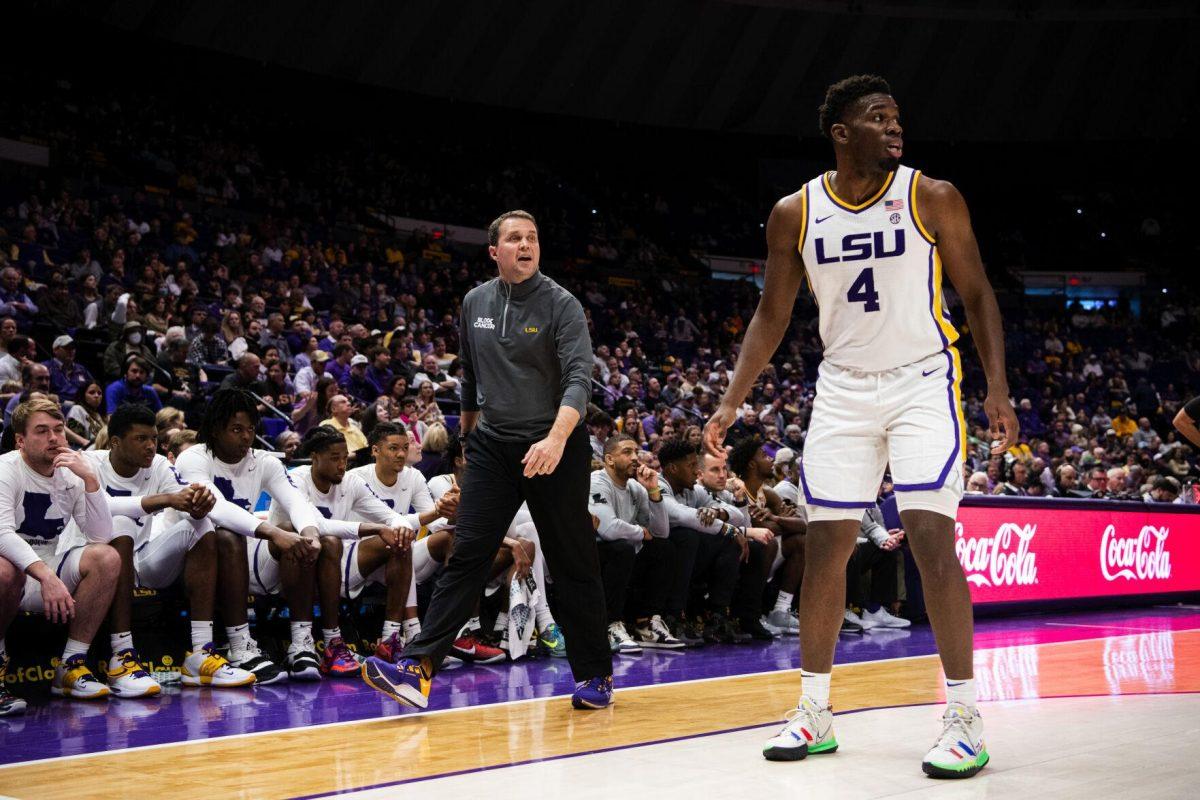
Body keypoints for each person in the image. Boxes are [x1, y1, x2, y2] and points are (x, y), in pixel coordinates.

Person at [704, 75, 1017, 778]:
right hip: (843, 388)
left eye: (898, 117)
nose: (895, 128)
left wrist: (996, 387)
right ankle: (814, 710)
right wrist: (731, 400)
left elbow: (976, 293)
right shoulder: (795, 211)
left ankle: (964, 716)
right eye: (879, 118)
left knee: (931, 540)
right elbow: (771, 314)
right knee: (826, 548)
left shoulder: (931, 195)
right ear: (841, 132)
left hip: (922, 380)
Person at [361, 210, 614, 711]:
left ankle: (595, 677)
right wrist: (470, 440)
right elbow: (471, 376)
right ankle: (419, 667)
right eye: (515, 239)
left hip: (555, 448)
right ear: (494, 250)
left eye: (533, 238)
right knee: (467, 550)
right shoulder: (475, 301)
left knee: (572, 562)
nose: (526, 246)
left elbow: (579, 381)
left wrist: (556, 439)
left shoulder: (562, 305)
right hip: (494, 448)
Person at [57, 404, 257, 693]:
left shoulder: (160, 465)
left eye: (153, 438)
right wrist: (162, 500)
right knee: (122, 523)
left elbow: (185, 501)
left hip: (142, 561)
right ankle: (121, 657)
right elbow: (102, 506)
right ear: (115, 442)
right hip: (93, 563)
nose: (151, 446)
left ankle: (201, 653)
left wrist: (198, 506)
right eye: (141, 439)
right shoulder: (88, 462)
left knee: (201, 527)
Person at [175, 390, 322, 683]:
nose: (246, 437)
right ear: (216, 429)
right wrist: (272, 532)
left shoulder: (265, 461)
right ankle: (239, 645)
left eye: (251, 429)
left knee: (298, 541)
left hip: (239, 558)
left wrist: (310, 533)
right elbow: (216, 508)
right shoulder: (192, 458)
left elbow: (295, 501)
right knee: (228, 534)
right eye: (237, 429)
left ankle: (301, 643)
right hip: (186, 558)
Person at [265, 426, 415, 676]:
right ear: (315, 457)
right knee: (324, 538)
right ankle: (327, 643)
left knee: (398, 542)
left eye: (345, 458)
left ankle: (390, 640)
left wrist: (399, 527)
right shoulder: (294, 479)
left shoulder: (351, 482)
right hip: (286, 567)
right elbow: (316, 525)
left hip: (335, 564)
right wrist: (376, 528)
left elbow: (388, 515)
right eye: (335, 458)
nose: (342, 464)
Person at [0, 399, 118, 710]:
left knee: (106, 557)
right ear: (20, 440)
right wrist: (45, 574)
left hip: (44, 575)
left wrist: (90, 480)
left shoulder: (72, 472)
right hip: (14, 574)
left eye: (58, 430)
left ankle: (71, 666)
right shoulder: (5, 469)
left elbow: (100, 536)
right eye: (42, 431)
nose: (54, 438)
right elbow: (1, 535)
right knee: (4, 569)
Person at [588, 433, 676, 654]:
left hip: (621, 552)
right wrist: (639, 532)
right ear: (609, 459)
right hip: (590, 554)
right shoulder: (597, 482)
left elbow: (661, 532)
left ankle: (644, 624)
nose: (635, 457)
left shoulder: (636, 488)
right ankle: (609, 625)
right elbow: (608, 529)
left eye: (636, 452)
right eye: (627, 452)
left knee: (663, 548)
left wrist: (654, 491)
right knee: (621, 548)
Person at [44, 335, 94, 403]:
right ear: (55, 350)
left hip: (81, 406)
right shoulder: (45, 368)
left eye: (73, 348)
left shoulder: (81, 369)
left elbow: (93, 387)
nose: (71, 351)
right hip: (57, 406)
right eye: (67, 348)